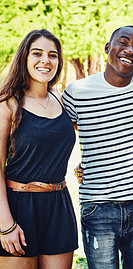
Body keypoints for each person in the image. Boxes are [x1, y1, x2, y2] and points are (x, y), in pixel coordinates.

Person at [62, 26, 133, 269]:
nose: (130, 50)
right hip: (98, 206)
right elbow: (58, 134)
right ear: (108, 48)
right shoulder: (77, 92)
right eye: (123, 42)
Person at [0, 29, 78, 268]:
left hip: (59, 206)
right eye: (37, 53)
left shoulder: (62, 100)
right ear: (24, 57)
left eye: (53, 55)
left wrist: (86, 165)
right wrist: (5, 224)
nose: (45, 60)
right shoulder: (8, 104)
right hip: (18, 208)